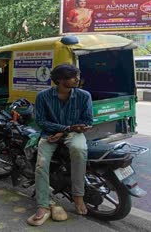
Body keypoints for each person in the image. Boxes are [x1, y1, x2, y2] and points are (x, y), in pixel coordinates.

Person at [27, 64, 93, 226]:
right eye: (73, 77)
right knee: (41, 164)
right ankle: (43, 204)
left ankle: (78, 196)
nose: (77, 79)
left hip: (73, 133)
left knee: (79, 150)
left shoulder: (84, 96)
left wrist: (65, 131)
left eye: (77, 75)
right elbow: (41, 121)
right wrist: (64, 128)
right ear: (60, 80)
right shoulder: (43, 96)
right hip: (49, 134)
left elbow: (87, 121)